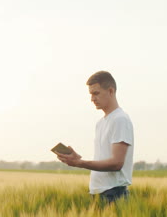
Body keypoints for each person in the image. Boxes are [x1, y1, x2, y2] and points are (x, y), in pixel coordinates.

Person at [55, 71, 134, 203]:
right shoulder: (101, 123)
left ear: (110, 91)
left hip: (113, 194)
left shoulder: (120, 119)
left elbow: (116, 163)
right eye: (90, 94)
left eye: (96, 93)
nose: (92, 99)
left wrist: (80, 164)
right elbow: (104, 157)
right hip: (99, 193)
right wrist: (78, 159)